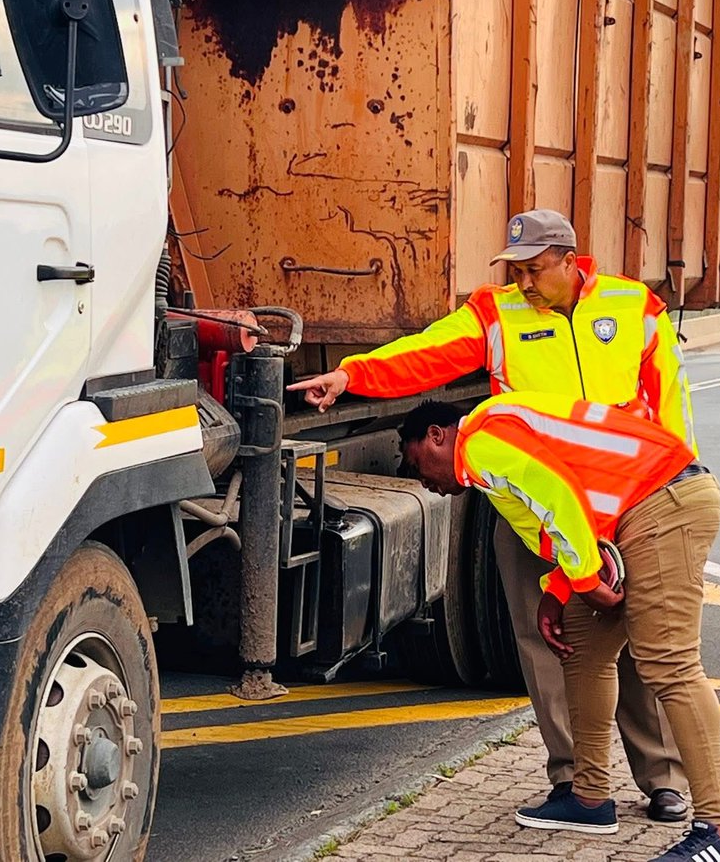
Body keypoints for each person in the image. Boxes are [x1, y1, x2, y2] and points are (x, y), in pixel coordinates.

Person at [291, 209, 694, 826]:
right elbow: (427, 353)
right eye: (517, 270)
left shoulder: (635, 308)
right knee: (545, 644)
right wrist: (352, 374)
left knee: (641, 635)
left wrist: (669, 483)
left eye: (535, 270)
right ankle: (574, 781)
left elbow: (670, 406)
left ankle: (662, 779)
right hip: (533, 511)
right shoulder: (497, 313)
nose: (525, 284)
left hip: (625, 502)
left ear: (569, 259)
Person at [398, 393, 720, 862]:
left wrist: (584, 581)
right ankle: (589, 798)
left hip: (663, 501)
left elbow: (560, 499)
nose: (421, 479)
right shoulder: (495, 436)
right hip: (635, 507)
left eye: (415, 461)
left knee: (669, 663)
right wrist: (560, 591)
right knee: (582, 646)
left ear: (437, 436)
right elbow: (580, 509)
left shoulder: (483, 442)